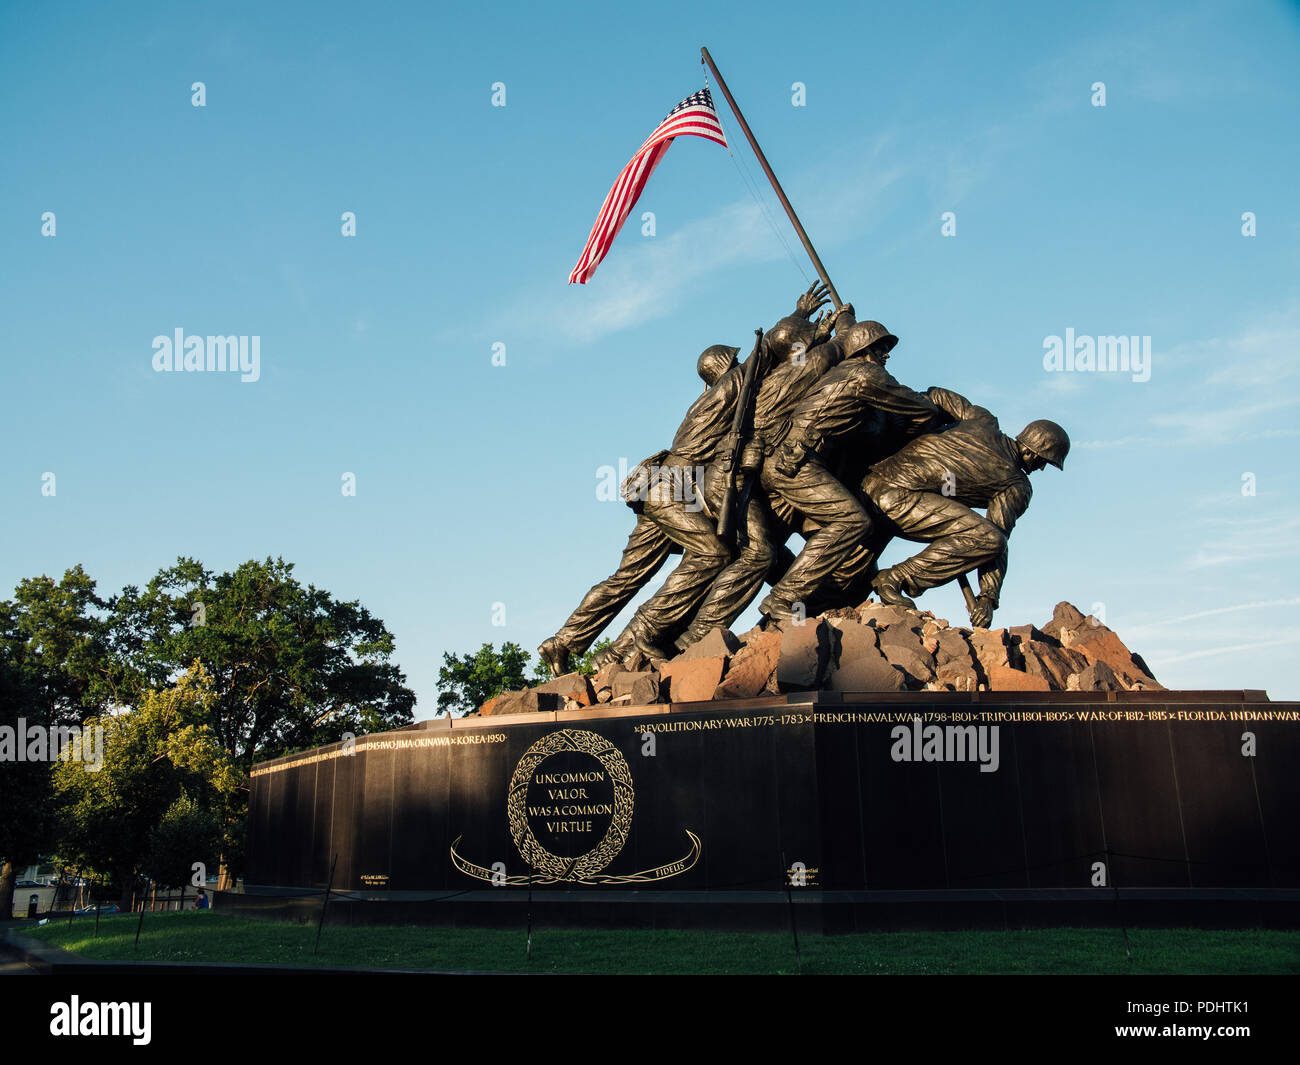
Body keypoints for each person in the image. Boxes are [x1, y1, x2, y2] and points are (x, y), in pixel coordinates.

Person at [756, 316, 951, 623]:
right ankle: (783, 597)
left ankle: (803, 606)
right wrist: (913, 427)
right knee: (852, 521)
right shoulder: (866, 374)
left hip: (792, 460)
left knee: (778, 540)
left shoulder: (846, 371)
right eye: (881, 347)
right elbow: (922, 408)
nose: (886, 355)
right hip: (798, 462)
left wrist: (846, 317)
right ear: (866, 349)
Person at [866, 388, 1069, 627]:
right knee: (989, 539)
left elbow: (938, 396)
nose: (1041, 468)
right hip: (897, 499)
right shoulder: (1016, 484)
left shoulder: (983, 419)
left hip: (869, 482)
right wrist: (988, 598)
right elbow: (995, 542)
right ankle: (895, 579)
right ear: (1030, 451)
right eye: (1043, 461)